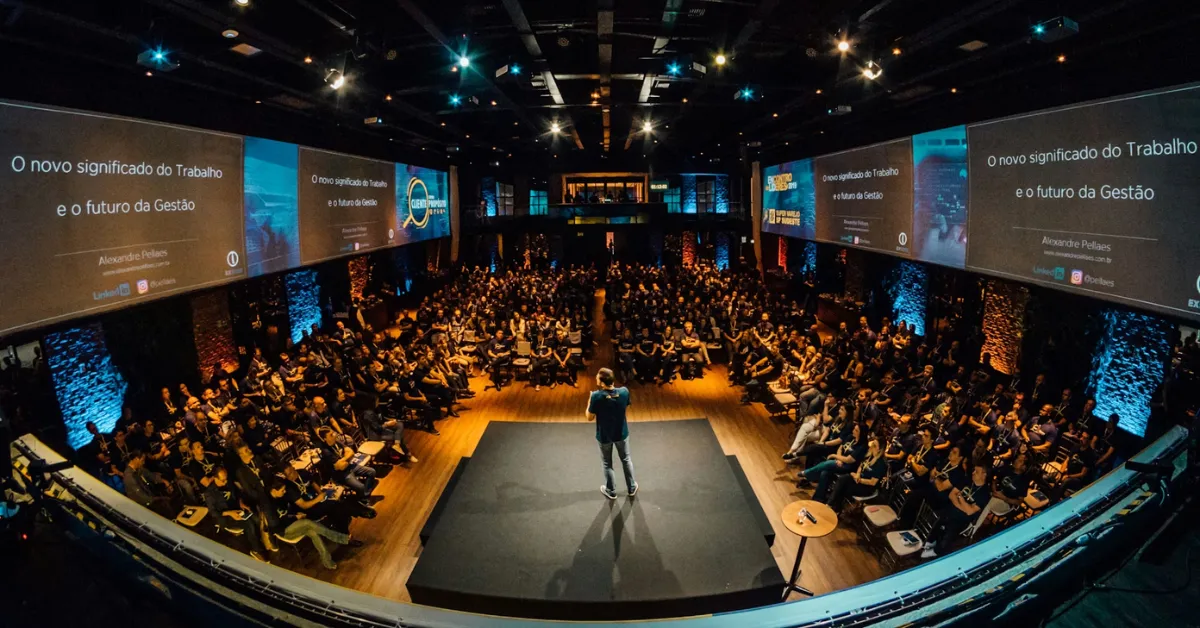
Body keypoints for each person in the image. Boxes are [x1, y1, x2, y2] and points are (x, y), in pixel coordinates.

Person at [586, 368, 638, 499]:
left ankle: (611, 490)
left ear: (602, 382)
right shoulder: (625, 392)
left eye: (597, 377)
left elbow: (589, 417)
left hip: (604, 436)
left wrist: (589, 402)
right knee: (626, 460)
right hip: (621, 433)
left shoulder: (596, 396)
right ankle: (631, 488)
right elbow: (624, 406)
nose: (596, 379)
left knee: (607, 463)